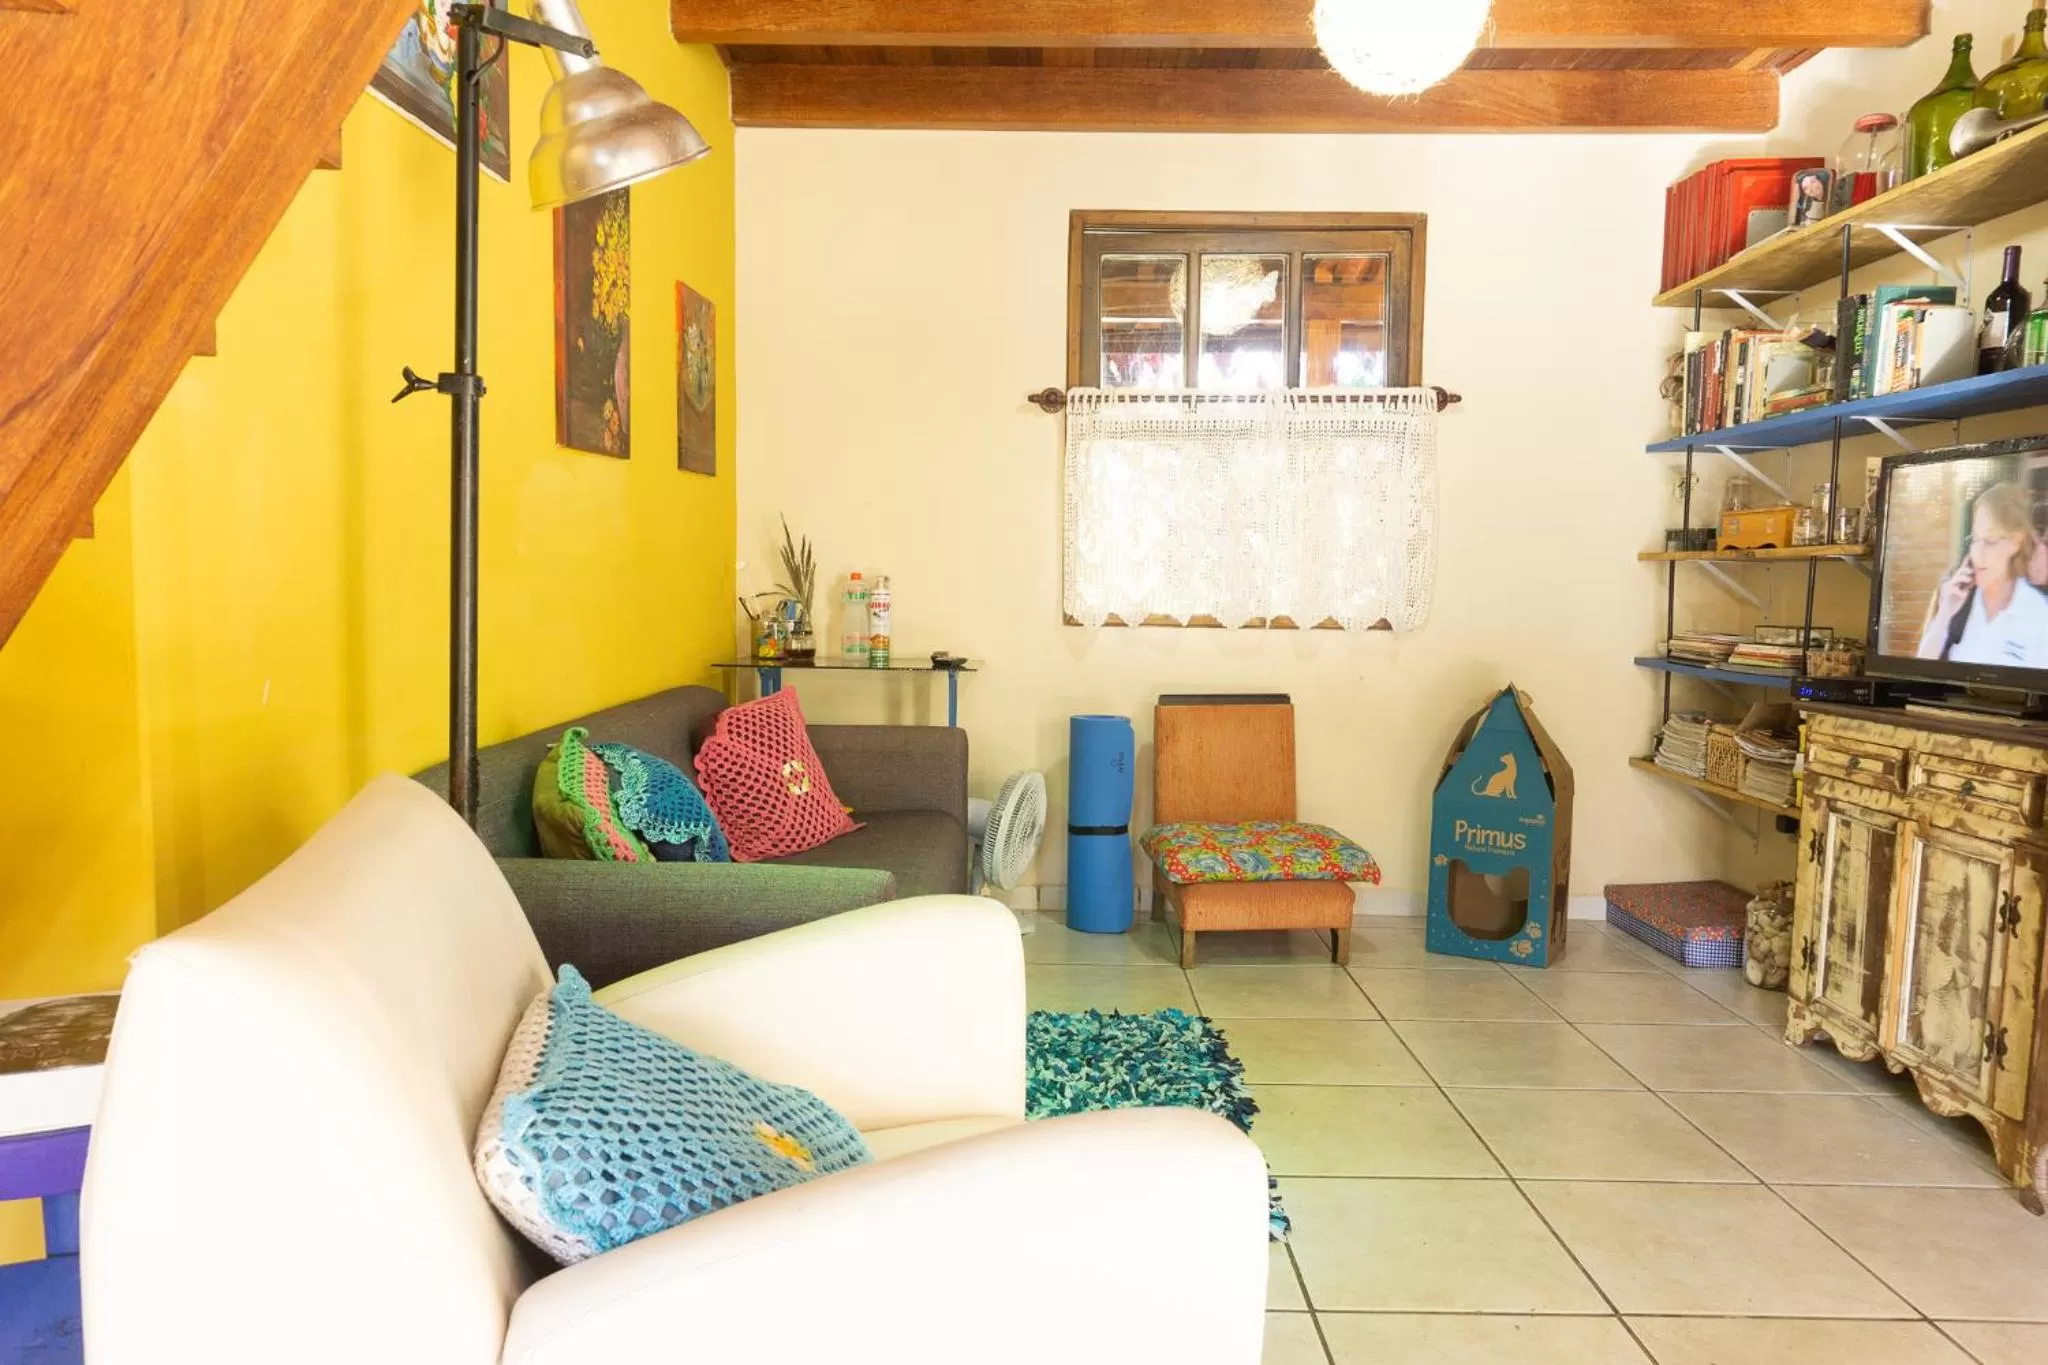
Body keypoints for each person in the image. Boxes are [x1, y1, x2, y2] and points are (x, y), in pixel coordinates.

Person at [1917, 481, 2048, 667]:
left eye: (1990, 540)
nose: (1978, 554)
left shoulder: (2037, 612)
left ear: (2016, 542)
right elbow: (1919, 674)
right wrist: (1945, 612)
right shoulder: (1961, 598)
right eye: (1975, 539)